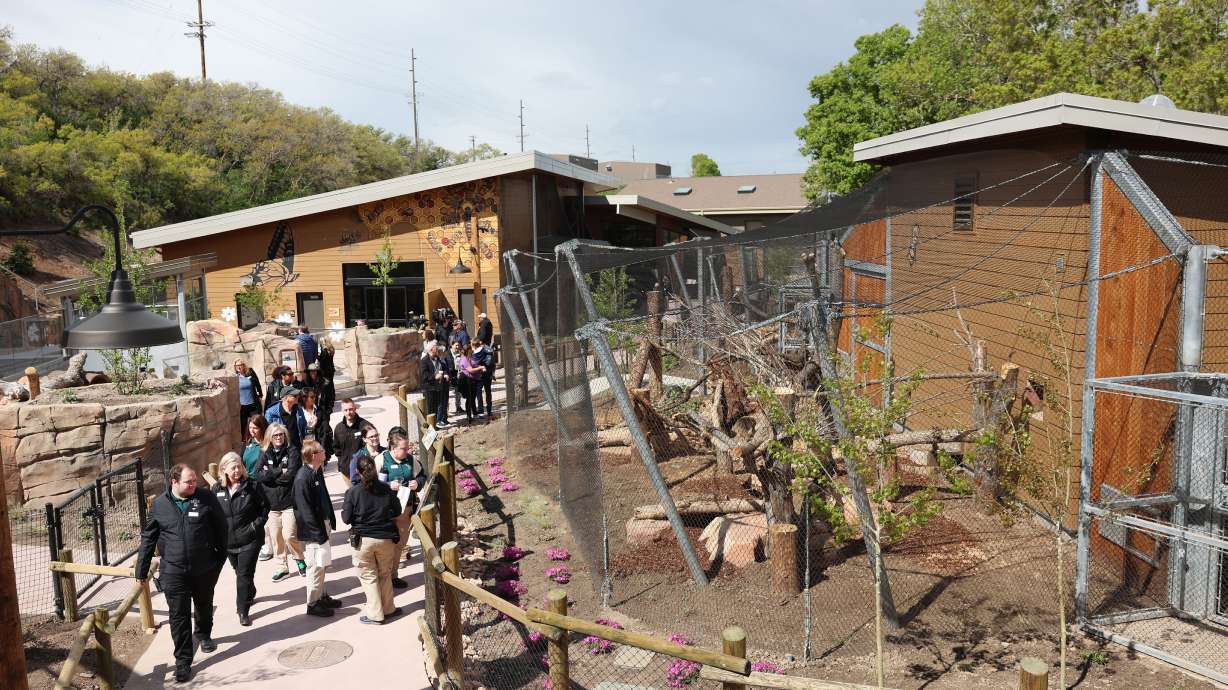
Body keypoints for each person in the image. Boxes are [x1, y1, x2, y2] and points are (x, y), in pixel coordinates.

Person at [135, 464, 228, 684]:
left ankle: (204, 634)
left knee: (204, 604)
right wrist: (141, 569)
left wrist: (219, 559)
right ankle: (183, 661)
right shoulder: (159, 505)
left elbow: (221, 528)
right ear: (174, 482)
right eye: (189, 481)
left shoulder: (206, 498)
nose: (193, 484)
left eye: (195, 480)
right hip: (174, 571)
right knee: (179, 616)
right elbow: (148, 538)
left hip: (204, 567)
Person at [342, 455, 403, 625]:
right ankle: (389, 608)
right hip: (385, 538)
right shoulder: (386, 489)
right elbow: (397, 510)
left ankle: (375, 614)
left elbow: (346, 518)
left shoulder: (353, 492)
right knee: (384, 574)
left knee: (369, 577)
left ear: (357, 472)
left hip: (363, 541)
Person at [215, 452, 268, 627]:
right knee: (240, 573)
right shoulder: (216, 490)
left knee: (243, 574)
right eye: (233, 467)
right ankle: (250, 591)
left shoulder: (252, 485)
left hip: (250, 539)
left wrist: (255, 526)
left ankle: (242, 610)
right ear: (224, 470)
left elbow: (265, 507)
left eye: (239, 466)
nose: (237, 470)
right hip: (228, 542)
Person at [293, 439, 341, 617]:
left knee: (323, 564)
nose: (325, 451)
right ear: (313, 455)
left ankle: (322, 595)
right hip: (314, 532)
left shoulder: (316, 472)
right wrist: (318, 534)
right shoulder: (302, 478)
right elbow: (305, 511)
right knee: (315, 566)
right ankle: (313, 603)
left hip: (323, 525)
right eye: (321, 450)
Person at [258, 422, 305, 581]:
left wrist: (270, 476)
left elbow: (291, 475)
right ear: (269, 438)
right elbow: (259, 475)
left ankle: (299, 560)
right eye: (275, 435)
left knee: (289, 534)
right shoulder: (264, 453)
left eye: (281, 435)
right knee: (276, 537)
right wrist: (279, 472)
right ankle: (282, 567)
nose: (278, 437)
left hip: (289, 503)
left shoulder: (292, 451)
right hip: (271, 505)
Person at [378, 430, 424, 589]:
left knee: (399, 544)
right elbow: (370, 482)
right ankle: (383, 576)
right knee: (385, 546)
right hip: (385, 510)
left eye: (407, 448)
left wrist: (418, 483)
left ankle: (393, 575)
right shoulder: (382, 460)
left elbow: (422, 476)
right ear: (393, 448)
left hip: (405, 510)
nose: (407, 452)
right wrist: (387, 485)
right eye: (404, 449)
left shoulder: (411, 460)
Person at [332, 399, 370, 485]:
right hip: (346, 471)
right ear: (342, 411)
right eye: (345, 410)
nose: (348, 412)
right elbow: (336, 448)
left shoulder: (365, 426)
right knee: (353, 495)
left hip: (362, 471)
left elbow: (371, 446)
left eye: (350, 409)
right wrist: (341, 463)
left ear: (355, 408)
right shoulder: (339, 428)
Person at [419, 341, 451, 429]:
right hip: (429, 388)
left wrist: (445, 374)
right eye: (435, 348)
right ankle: (430, 428)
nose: (437, 349)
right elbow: (424, 376)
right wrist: (434, 376)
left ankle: (434, 425)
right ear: (431, 350)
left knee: (436, 407)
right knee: (430, 408)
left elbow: (443, 368)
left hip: (438, 387)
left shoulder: (437, 358)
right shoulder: (424, 361)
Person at [456, 343, 485, 424]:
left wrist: (480, 367)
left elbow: (474, 364)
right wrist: (480, 368)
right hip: (465, 380)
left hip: (472, 380)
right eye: (471, 349)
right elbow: (470, 370)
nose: (472, 350)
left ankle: (474, 413)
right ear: (468, 350)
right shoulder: (464, 359)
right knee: (469, 398)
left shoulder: (469, 357)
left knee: (472, 397)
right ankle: (469, 416)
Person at [300, 388, 333, 459]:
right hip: (306, 445)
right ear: (304, 398)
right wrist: (311, 426)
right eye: (311, 397)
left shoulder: (320, 410)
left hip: (319, 444)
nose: (314, 398)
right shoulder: (299, 412)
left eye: (315, 396)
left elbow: (325, 429)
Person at [235, 359, 263, 437]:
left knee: (256, 422)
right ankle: (245, 440)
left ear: (244, 365)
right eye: (237, 365)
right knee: (243, 425)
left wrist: (260, 395)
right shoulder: (235, 376)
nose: (238, 367)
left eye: (240, 365)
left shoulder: (250, 372)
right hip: (242, 406)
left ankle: (259, 437)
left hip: (253, 404)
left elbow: (257, 384)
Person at [471, 338, 496, 420]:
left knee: (479, 393)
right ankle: (489, 411)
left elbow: (473, 363)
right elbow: (491, 360)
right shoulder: (486, 350)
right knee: (488, 392)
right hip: (487, 373)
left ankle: (481, 411)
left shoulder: (473, 353)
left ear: (473, 344)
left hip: (479, 375)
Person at [447, 340, 464, 416]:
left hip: (457, 374)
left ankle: (458, 406)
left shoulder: (460, 353)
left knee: (458, 392)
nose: (457, 347)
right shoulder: (447, 353)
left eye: (458, 345)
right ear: (452, 345)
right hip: (449, 375)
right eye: (456, 345)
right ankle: (446, 410)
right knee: (446, 393)